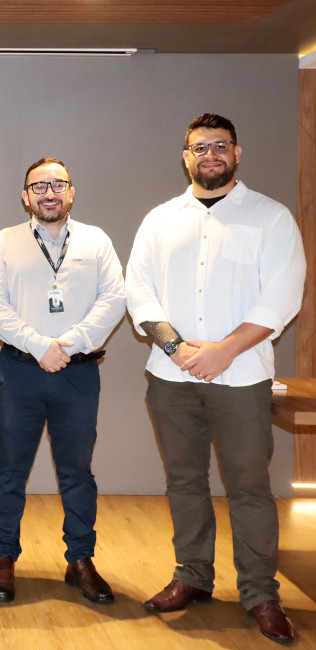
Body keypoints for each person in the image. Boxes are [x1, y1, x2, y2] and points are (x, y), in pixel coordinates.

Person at [125, 113, 305, 644]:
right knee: (184, 481)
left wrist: (225, 351)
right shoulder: (160, 220)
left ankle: (260, 594)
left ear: (237, 153)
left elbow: (282, 296)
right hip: (171, 376)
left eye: (220, 146)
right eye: (199, 147)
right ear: (185, 156)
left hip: (242, 376)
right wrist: (179, 349)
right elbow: (140, 292)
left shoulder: (270, 218)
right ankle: (193, 578)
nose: (210, 155)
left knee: (249, 487)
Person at [0, 157, 125, 604]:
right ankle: (3, 557)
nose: (48, 193)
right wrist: (41, 346)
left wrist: (69, 344)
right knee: (10, 471)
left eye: (57, 184)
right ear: (25, 196)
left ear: (71, 192)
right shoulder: (6, 242)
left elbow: (115, 299)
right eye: (38, 186)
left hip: (78, 375)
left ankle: (80, 559)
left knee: (77, 472)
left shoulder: (96, 241)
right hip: (20, 371)